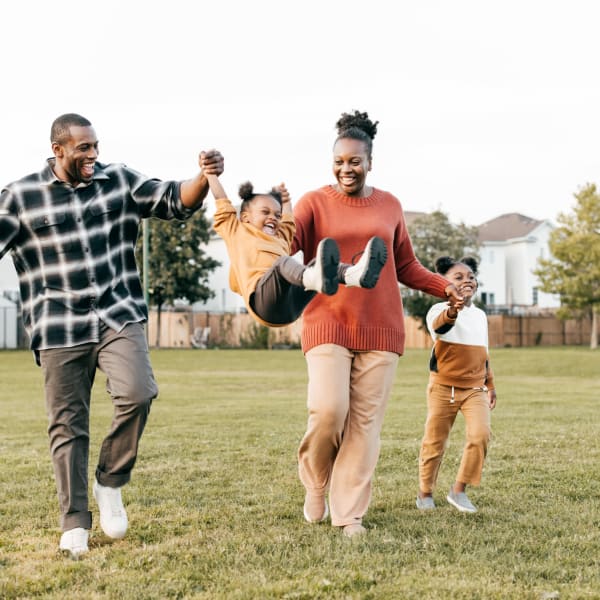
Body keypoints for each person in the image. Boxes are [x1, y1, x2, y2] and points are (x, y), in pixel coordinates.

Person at [0, 113, 224, 559]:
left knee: (138, 392)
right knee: (67, 425)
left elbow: (175, 200)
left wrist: (203, 176)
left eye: (96, 146)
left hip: (117, 313)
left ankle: (111, 481)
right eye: (83, 148)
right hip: (58, 324)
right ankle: (74, 522)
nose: (93, 155)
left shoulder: (117, 180)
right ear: (58, 149)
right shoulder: (21, 197)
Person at [290, 110, 463, 537]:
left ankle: (349, 514)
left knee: (364, 426)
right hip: (327, 321)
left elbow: (405, 264)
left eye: (355, 161)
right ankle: (315, 482)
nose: (346, 169)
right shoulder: (312, 202)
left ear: (370, 162)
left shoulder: (389, 205)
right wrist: (268, 217)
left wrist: (446, 288)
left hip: (382, 328)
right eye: (339, 161)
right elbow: (285, 250)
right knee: (329, 411)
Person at [204, 165, 388, 327]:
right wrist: (211, 174)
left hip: (291, 307)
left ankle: (354, 275)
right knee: (284, 262)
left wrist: (286, 202)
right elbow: (222, 202)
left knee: (317, 264)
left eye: (276, 215)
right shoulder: (236, 231)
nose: (273, 218)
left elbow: (289, 222)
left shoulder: (280, 238)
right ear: (245, 218)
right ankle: (313, 278)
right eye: (265, 212)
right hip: (263, 304)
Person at [416, 256, 497, 513]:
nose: (467, 281)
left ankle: (459, 489)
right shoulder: (437, 311)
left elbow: (483, 351)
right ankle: (425, 492)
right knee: (434, 442)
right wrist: (454, 308)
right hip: (442, 388)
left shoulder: (481, 315)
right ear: (445, 283)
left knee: (480, 434)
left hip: (474, 388)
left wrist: (490, 383)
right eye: (458, 277)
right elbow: (442, 327)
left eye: (470, 277)